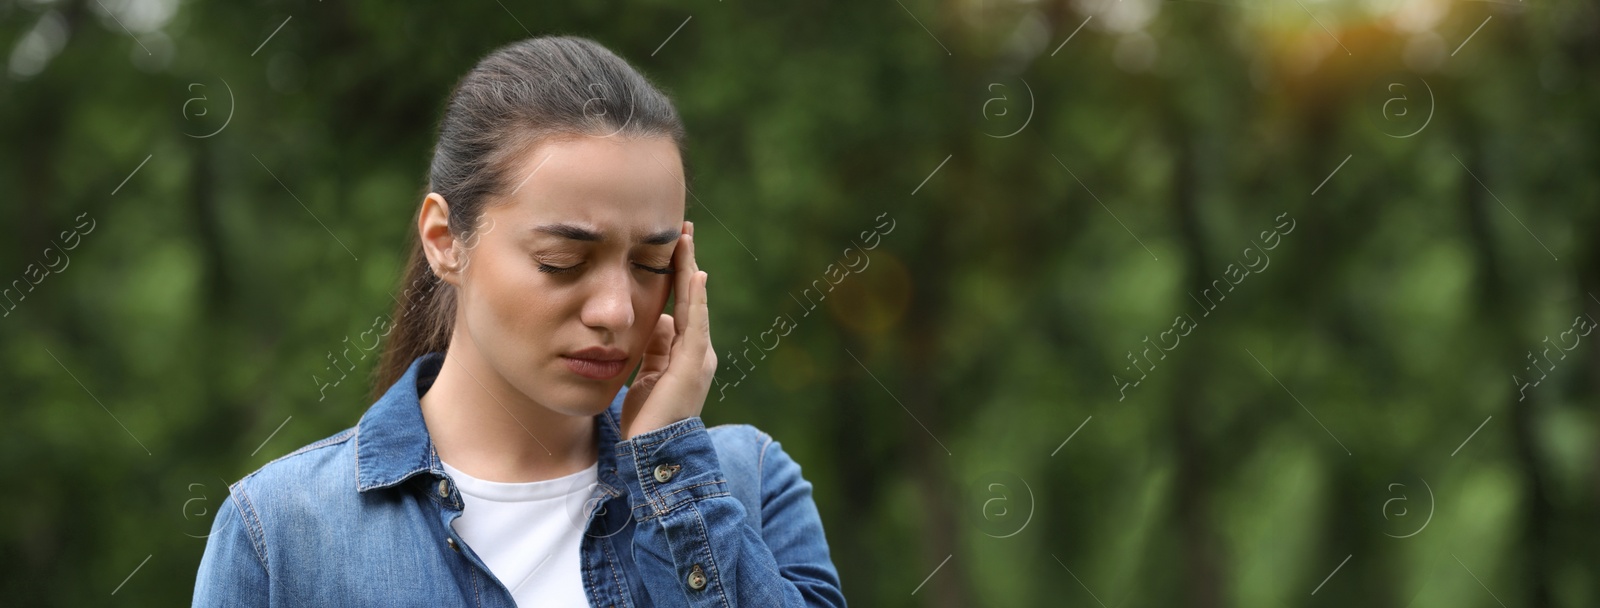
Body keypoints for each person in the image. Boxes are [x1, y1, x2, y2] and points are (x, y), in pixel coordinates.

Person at [192, 35, 846, 607]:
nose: (617, 311)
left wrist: (670, 475)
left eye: (651, 264)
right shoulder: (281, 536)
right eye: (563, 261)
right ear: (446, 240)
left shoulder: (747, 486)